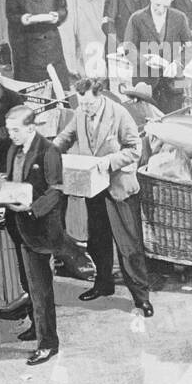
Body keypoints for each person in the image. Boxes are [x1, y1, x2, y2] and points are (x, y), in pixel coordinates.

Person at [52, 77, 153, 317]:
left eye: (88, 104)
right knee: (97, 242)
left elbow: (134, 148)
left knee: (129, 247)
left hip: (119, 190)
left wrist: (108, 161)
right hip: (94, 189)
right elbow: (64, 138)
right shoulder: (80, 113)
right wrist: (49, 151)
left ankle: (141, 297)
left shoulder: (119, 114)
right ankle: (103, 283)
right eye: (81, 104)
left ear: (100, 96)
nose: (84, 109)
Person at [4, 106, 65, 365]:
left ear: (31, 128)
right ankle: (35, 327)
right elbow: (12, 181)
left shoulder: (49, 151)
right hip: (17, 226)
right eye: (8, 130)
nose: (11, 135)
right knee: (27, 283)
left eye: (15, 130)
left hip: (38, 229)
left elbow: (56, 190)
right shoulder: (13, 150)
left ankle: (48, 343)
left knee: (40, 289)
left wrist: (32, 209)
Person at [123, 0, 192, 114]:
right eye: (157, 5)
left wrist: (177, 65)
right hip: (145, 84)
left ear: (172, 0)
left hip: (173, 84)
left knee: (174, 122)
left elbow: (189, 47)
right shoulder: (136, 18)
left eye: (165, 6)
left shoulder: (180, 18)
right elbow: (128, 48)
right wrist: (146, 60)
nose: (161, 10)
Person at [4, 0, 70, 83]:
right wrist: (22, 19)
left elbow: (63, 9)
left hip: (51, 42)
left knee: (56, 79)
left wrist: (56, 16)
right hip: (27, 46)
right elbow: (11, 16)